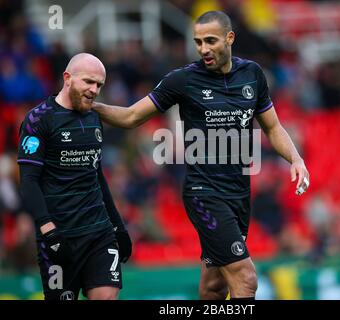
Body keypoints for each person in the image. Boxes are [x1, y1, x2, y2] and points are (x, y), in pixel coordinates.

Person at [93, 11, 310, 300]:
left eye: (210, 40)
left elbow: (272, 126)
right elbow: (132, 116)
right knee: (246, 278)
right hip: (204, 193)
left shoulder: (252, 74)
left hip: (239, 194)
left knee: (214, 286)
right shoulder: (183, 80)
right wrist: (89, 105)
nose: (204, 49)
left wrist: (295, 159)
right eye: (198, 42)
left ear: (229, 38)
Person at [17, 53, 132, 300]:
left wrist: (118, 227)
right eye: (88, 82)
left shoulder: (94, 119)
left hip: (99, 233)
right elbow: (28, 181)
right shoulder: (38, 120)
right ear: (67, 78)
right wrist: (49, 231)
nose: (94, 90)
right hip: (60, 236)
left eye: (99, 85)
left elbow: (97, 177)